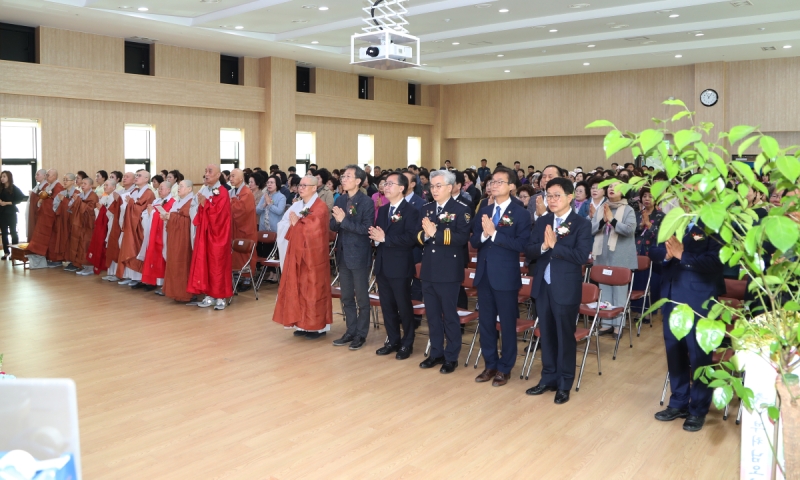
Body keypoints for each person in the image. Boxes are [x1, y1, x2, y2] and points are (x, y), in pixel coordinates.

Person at [650, 214, 725, 432]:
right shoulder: (673, 219)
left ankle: (698, 409)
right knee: (675, 352)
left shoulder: (716, 221)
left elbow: (717, 260)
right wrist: (667, 253)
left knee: (700, 355)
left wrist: (683, 255)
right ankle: (679, 402)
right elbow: (653, 250)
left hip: (700, 300)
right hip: (671, 296)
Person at [525, 177, 592, 404]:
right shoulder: (543, 221)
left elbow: (581, 256)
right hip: (543, 287)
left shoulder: (581, 224)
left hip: (565, 288)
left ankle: (564, 383)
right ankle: (548, 378)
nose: (551, 200)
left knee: (565, 337)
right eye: (548, 196)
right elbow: (529, 251)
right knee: (547, 335)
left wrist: (556, 246)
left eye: (556, 195)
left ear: (569, 197)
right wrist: (543, 246)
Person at [470, 167, 532, 386]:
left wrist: (494, 234)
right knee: (486, 323)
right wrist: (484, 234)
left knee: (506, 324)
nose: (494, 185)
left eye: (499, 182)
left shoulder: (521, 213)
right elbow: (475, 241)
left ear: (512, 186)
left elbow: (522, 244)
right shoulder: (484, 211)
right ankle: (490, 365)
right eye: (492, 182)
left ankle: (505, 368)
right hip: (484, 275)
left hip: (505, 276)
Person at [417, 169, 472, 374]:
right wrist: (426, 235)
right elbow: (419, 236)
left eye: (438, 186)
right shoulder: (427, 208)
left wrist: (436, 234)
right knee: (432, 316)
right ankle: (436, 353)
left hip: (449, 269)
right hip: (429, 267)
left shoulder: (461, 209)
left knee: (449, 315)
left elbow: (460, 238)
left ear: (450, 187)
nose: (434, 189)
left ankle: (451, 356)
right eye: (432, 186)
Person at [273, 175, 333, 337]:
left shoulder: (320, 207)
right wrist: (295, 224)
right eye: (300, 185)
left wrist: (296, 224)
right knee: (299, 288)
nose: (301, 188)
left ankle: (316, 326)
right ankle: (301, 324)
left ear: (314, 188)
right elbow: (289, 223)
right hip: (299, 253)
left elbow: (312, 229)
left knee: (313, 290)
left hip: (314, 257)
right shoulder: (299, 205)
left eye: (305, 185)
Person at [368, 172, 420, 360]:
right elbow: (378, 233)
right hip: (382, 263)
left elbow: (411, 238)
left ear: (401, 188)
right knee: (387, 305)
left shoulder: (411, 211)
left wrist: (385, 239)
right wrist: (376, 238)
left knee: (403, 306)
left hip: (400, 265)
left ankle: (408, 342)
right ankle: (392, 339)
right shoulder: (383, 209)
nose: (386, 187)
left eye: (391, 184)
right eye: (385, 183)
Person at [330, 165, 375, 351]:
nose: (343, 179)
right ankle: (350, 330)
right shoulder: (340, 199)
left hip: (359, 255)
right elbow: (333, 226)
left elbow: (366, 229)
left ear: (358, 180)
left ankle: (361, 334)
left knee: (362, 298)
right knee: (346, 297)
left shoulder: (366, 202)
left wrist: (344, 221)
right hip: (343, 255)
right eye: (343, 176)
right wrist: (337, 220)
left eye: (348, 176)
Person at [591, 178, 637, 334]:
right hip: (602, 256)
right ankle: (606, 323)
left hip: (620, 257)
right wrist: (604, 221)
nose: (611, 188)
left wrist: (612, 220)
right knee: (604, 290)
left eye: (616, 187)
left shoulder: (628, 209)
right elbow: (590, 229)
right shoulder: (601, 208)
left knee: (619, 292)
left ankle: (618, 325)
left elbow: (629, 230)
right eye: (610, 186)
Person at [187, 165, 233, 310]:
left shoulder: (222, 192)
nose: (206, 174)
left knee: (217, 265)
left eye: (210, 172)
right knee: (205, 263)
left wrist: (205, 204)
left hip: (218, 234)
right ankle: (208, 294)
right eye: (205, 171)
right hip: (205, 234)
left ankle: (220, 296)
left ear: (218, 175)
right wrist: (202, 205)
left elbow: (220, 214)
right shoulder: (204, 189)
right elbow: (198, 208)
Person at [116, 170, 156, 288]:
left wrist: (131, 203)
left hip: (140, 227)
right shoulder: (135, 192)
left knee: (138, 250)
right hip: (131, 226)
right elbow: (131, 207)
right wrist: (130, 203)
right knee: (130, 249)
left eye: (139, 176)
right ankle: (133, 277)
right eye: (136, 175)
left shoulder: (149, 193)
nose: (137, 177)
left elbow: (140, 209)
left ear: (146, 179)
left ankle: (140, 278)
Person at [633, 187, 665, 322]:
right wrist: (640, 225)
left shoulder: (661, 216)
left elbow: (662, 235)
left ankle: (648, 311)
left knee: (651, 282)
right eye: (644, 196)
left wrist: (649, 225)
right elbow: (631, 232)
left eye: (650, 196)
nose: (647, 199)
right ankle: (637, 309)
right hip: (637, 250)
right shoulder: (637, 214)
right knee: (638, 281)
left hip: (652, 252)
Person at [163, 180, 196, 303]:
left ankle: (186, 294)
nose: (179, 188)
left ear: (189, 189)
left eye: (181, 186)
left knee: (182, 264)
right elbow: (175, 215)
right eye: (179, 186)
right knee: (173, 263)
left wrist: (170, 217)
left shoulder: (192, 201)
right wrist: (167, 217)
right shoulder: (178, 201)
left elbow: (188, 220)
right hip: (174, 236)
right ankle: (175, 292)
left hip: (184, 238)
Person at [139, 182, 175, 292]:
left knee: (162, 257)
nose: (159, 191)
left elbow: (169, 216)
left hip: (163, 233)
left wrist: (153, 213)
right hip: (153, 232)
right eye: (159, 189)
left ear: (169, 190)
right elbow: (145, 214)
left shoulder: (173, 202)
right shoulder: (157, 201)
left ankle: (163, 283)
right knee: (152, 255)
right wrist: (150, 213)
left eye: (162, 189)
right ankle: (153, 281)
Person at [102, 172, 135, 282]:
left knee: (123, 248)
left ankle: (126, 275)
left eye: (127, 177)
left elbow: (132, 208)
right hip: (115, 223)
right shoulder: (119, 192)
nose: (124, 178)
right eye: (124, 177)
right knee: (114, 246)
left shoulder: (134, 192)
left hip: (126, 225)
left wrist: (118, 201)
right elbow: (111, 210)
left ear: (134, 180)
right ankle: (114, 272)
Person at [228, 169, 257, 291]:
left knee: (245, 253)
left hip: (245, 228)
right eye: (230, 176)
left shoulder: (246, 193)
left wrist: (231, 202)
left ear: (241, 178)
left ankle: (246, 279)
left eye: (233, 176)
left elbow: (241, 210)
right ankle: (237, 278)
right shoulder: (232, 191)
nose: (230, 178)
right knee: (235, 254)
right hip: (235, 228)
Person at [66, 177, 99, 275]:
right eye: (82, 183)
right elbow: (71, 207)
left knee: (86, 245)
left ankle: (90, 267)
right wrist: (76, 201)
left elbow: (90, 210)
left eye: (85, 183)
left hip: (88, 225)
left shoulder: (93, 196)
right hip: (80, 224)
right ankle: (83, 265)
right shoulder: (80, 195)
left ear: (91, 186)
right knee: (80, 244)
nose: (82, 185)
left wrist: (79, 201)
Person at [87, 178, 117, 275]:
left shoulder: (115, 198)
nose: (105, 187)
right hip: (103, 225)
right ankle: (108, 270)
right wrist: (99, 209)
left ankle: (113, 272)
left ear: (114, 187)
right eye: (104, 185)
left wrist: (103, 209)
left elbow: (114, 213)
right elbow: (98, 211)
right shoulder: (104, 197)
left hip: (111, 225)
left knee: (109, 246)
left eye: (107, 185)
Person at [0, 171, 28, 259]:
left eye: (4, 176)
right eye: (1, 177)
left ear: (9, 177)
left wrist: (7, 203)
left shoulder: (14, 188)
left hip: (11, 212)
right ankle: (6, 252)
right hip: (2, 213)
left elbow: (22, 198)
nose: (2, 178)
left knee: (13, 232)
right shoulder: (0, 188)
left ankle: (14, 252)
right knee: (4, 233)